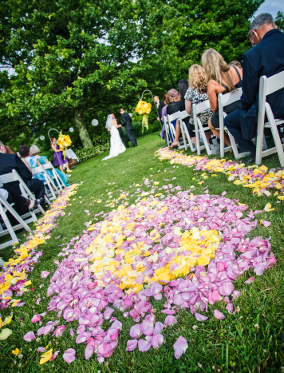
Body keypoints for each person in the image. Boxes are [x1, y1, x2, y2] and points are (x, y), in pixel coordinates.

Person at [224, 13, 284, 162]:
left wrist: (243, 106)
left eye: (252, 41)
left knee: (230, 120)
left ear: (255, 33)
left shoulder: (252, 55)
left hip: (273, 109)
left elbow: (249, 93)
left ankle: (254, 153)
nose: (253, 44)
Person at [202, 48, 243, 148]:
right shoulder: (236, 69)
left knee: (210, 123)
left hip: (230, 115)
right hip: (246, 106)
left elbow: (215, 108)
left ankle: (232, 145)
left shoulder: (212, 84)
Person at [0, 141, 45, 211]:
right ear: (1, 147)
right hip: (21, 187)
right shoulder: (12, 157)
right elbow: (28, 175)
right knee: (39, 183)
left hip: (7, 194)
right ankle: (41, 208)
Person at [184, 64, 214, 146]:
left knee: (188, 126)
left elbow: (188, 111)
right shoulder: (210, 86)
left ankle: (198, 145)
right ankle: (208, 142)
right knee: (206, 117)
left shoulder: (190, 91)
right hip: (213, 117)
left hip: (199, 121)